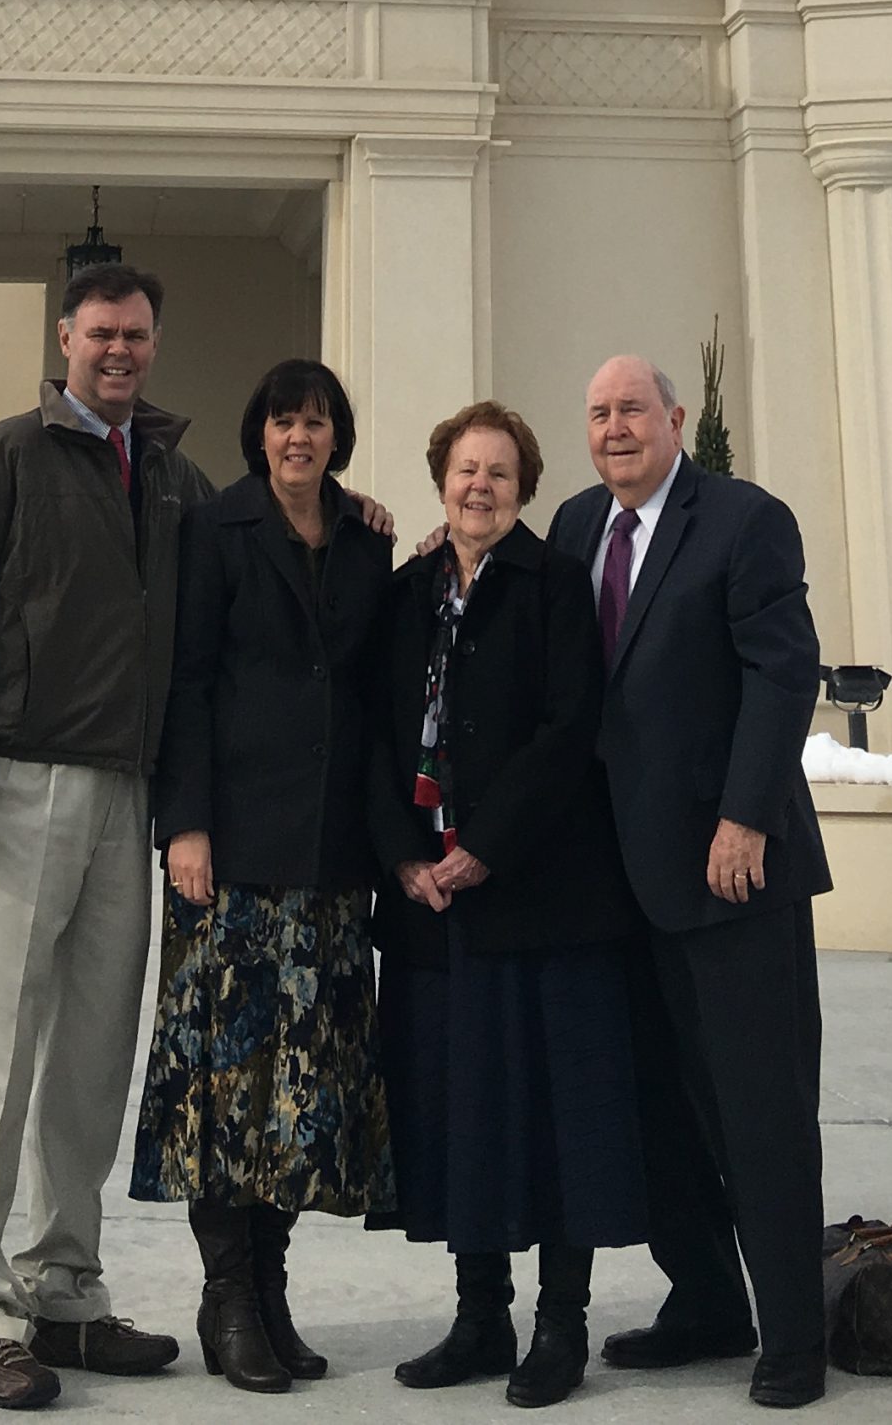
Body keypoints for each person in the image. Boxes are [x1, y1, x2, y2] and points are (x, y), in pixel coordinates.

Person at [0, 266, 208, 1410]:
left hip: (126, 797)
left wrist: (362, 515)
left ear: (153, 343)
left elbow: (255, 560)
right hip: (15, 789)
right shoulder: (6, 460)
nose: (118, 351)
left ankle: (64, 1287)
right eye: (99, 334)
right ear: (63, 339)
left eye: (136, 333)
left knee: (88, 1059)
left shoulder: (170, 476)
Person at [549, 357, 830, 1411]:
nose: (614, 427)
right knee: (653, 1108)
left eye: (632, 409)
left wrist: (745, 812)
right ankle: (708, 1297)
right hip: (620, 882)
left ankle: (794, 1332)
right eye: (597, 412)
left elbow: (782, 667)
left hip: (732, 870)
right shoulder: (579, 525)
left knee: (757, 1108)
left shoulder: (744, 519)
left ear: (675, 418)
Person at [369, 400, 644, 1410]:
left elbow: (569, 728)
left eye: (497, 471)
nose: (477, 485)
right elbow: (373, 733)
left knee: (555, 1114)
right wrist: (405, 853)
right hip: (428, 905)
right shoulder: (405, 594)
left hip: (540, 896)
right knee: (458, 1111)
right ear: (439, 477)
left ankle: (558, 1324)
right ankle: (477, 1315)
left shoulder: (554, 583)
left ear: (523, 488)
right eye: (462, 468)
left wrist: (484, 846)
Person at [133, 357, 396, 1394]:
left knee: (298, 1094)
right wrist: (184, 822)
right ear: (260, 431)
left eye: (317, 420)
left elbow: (376, 679)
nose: (300, 435)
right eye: (284, 418)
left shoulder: (367, 537)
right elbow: (187, 678)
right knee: (224, 1087)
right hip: (231, 854)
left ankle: (273, 1288)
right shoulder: (219, 529)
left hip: (329, 856)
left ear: (338, 435)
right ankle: (225, 1294)